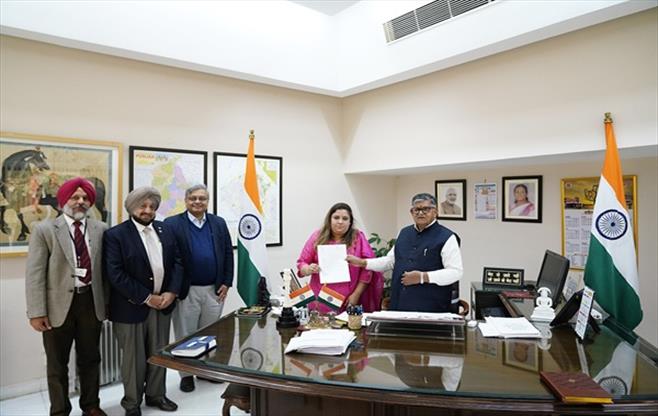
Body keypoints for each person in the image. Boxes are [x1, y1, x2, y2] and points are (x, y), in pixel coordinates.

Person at [25, 177, 108, 416]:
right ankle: (60, 410)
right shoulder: (44, 230)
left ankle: (91, 406)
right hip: (56, 306)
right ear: (63, 201)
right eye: (75, 197)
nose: (80, 201)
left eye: (85, 198)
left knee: (90, 359)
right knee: (57, 363)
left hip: (90, 302)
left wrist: (108, 304)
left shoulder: (101, 229)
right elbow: (35, 274)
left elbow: (105, 271)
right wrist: (36, 312)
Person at [103, 187, 182, 416]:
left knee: (159, 354)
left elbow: (178, 262)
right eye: (142, 206)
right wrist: (147, 297)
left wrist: (172, 292)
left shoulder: (165, 230)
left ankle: (156, 395)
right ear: (131, 208)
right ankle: (132, 403)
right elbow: (115, 273)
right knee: (133, 360)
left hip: (163, 305)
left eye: (152, 206)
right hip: (131, 307)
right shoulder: (116, 235)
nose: (148, 210)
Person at [164, 184, 234, 393]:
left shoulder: (218, 223)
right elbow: (168, 259)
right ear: (186, 200)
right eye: (193, 198)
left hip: (214, 289)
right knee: (186, 335)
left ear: (207, 201)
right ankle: (186, 374)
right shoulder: (172, 224)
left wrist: (227, 282)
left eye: (202, 198)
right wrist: (173, 288)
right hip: (186, 291)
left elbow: (228, 253)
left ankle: (206, 371)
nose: (197, 202)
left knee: (210, 334)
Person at [347, 193, 463, 312]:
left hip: (431, 308)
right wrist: (362, 263)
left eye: (426, 209)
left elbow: (456, 272)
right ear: (411, 212)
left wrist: (423, 277)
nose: (420, 213)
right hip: (400, 304)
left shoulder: (447, 237)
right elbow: (390, 261)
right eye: (416, 209)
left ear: (435, 212)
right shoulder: (404, 233)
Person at [297, 202, 383, 313]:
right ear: (330, 219)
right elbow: (302, 263)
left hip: (349, 298)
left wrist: (356, 294)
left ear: (350, 222)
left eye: (345, 218)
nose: (340, 222)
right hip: (320, 297)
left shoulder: (358, 237)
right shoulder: (317, 236)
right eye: (336, 217)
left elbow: (367, 270)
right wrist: (308, 269)